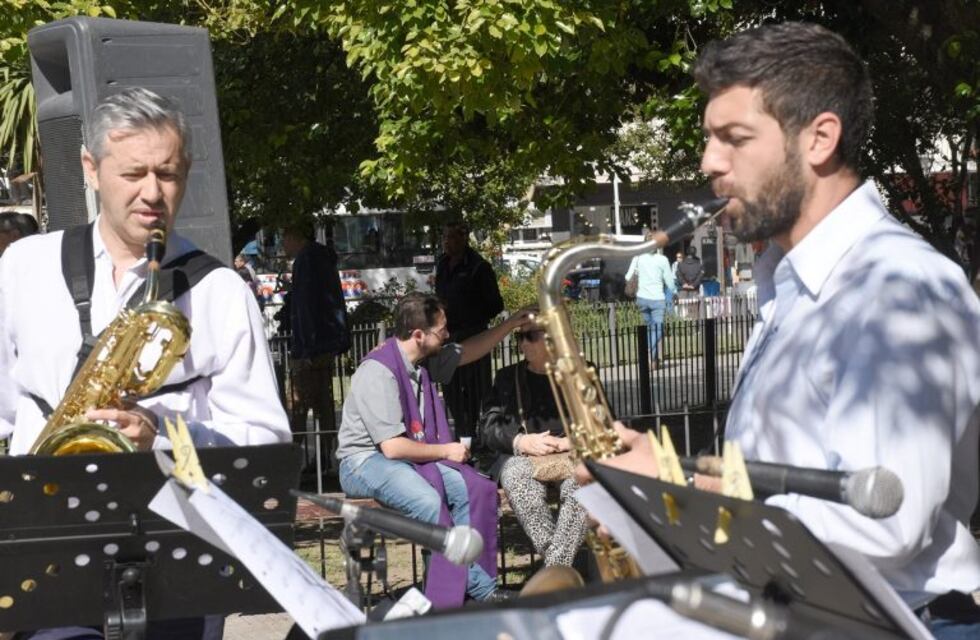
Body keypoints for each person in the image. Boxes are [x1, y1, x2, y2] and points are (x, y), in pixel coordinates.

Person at [584, 22, 980, 638]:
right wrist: (667, 480)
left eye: (734, 138)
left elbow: (884, 523)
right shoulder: (789, 282)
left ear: (819, 138)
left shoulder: (897, 289)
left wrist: (677, 493)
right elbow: (777, 478)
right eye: (709, 138)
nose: (709, 162)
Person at [0, 88, 291, 639]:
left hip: (176, 550)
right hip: (47, 549)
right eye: (133, 174)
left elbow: (265, 442)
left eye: (169, 174)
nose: (153, 193)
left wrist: (164, 438)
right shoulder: (22, 267)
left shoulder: (219, 291)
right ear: (91, 168)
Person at [335, 292, 529, 608]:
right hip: (365, 461)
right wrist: (445, 451)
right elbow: (393, 448)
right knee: (429, 502)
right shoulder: (378, 371)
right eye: (442, 330)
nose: (448, 334)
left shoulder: (422, 361)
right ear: (418, 335)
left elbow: (467, 351)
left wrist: (509, 324)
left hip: (403, 459)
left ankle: (460, 592)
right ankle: (470, 594)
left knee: (472, 487)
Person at [478, 324, 587, 568]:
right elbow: (488, 427)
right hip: (528, 456)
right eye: (519, 336)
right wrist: (522, 441)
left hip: (575, 453)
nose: (522, 342)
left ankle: (554, 569)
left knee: (580, 485)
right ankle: (560, 565)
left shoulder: (580, 372)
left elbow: (605, 422)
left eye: (530, 336)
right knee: (515, 474)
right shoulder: (507, 378)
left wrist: (571, 441)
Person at [281, 220, 350, 471]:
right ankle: (322, 458)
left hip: (311, 346)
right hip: (324, 343)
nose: (282, 243)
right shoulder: (319, 258)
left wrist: (307, 348)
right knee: (322, 402)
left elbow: (308, 305)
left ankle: (293, 463)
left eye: (285, 237)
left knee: (297, 404)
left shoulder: (307, 260)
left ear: (296, 235)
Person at [434, 222, 504, 439]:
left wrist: (472, 315)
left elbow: (496, 304)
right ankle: (462, 434)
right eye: (445, 237)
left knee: (475, 391)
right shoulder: (443, 264)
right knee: (451, 388)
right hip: (449, 336)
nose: (447, 242)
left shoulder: (478, 267)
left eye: (452, 237)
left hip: (473, 335)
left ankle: (477, 437)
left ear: (463, 239)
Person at [624, 238, 675, 366]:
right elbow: (669, 281)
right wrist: (674, 292)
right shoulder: (662, 260)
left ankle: (652, 361)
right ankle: (648, 351)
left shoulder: (638, 257)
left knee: (650, 329)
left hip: (642, 298)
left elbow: (627, 277)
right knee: (658, 328)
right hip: (657, 299)